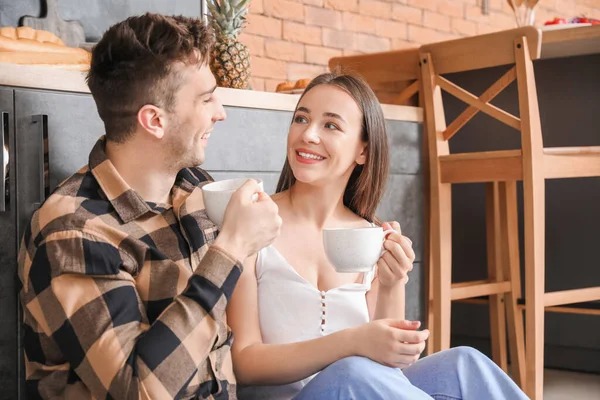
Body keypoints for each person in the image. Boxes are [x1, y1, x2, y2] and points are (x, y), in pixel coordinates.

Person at [17, 13, 281, 399]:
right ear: (154, 120)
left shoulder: (195, 189)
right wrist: (232, 249)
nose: (220, 112)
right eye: (207, 98)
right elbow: (137, 389)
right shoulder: (74, 231)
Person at [227, 72, 530, 400]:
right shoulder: (253, 221)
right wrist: (350, 343)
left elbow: (388, 374)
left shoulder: (372, 238)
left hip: (357, 389)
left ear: (363, 151)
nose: (308, 134)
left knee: (464, 362)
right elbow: (244, 362)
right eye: (302, 118)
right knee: (351, 371)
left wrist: (391, 282)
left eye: (331, 125)